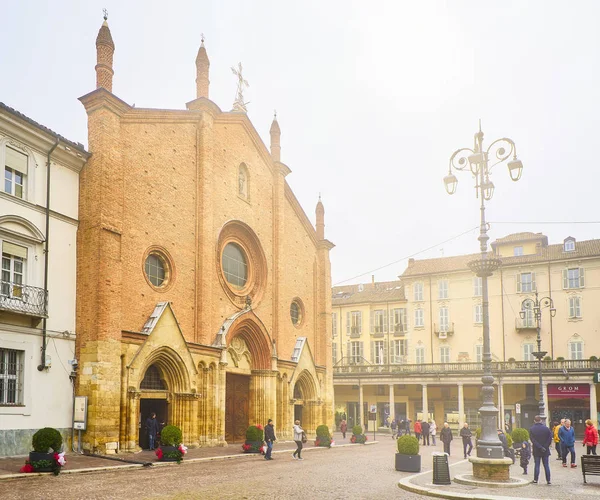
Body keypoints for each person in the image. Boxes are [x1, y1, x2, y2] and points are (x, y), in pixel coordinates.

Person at [529, 415, 552, 485]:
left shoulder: (532, 429)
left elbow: (532, 440)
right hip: (545, 450)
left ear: (534, 421)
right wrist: (545, 447)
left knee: (537, 465)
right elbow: (550, 439)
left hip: (537, 449)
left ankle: (536, 479)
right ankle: (548, 480)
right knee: (546, 465)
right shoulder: (546, 429)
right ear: (541, 421)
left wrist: (539, 447)